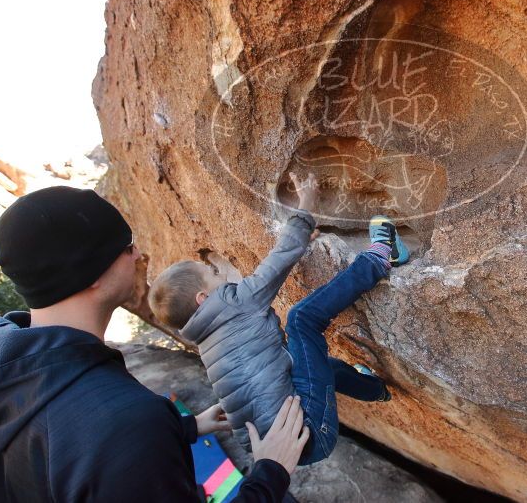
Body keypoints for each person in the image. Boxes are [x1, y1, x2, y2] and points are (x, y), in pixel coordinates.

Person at [0, 185, 307, 503]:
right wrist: (271, 472)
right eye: (127, 245)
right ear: (91, 275)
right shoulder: (126, 422)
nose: (138, 255)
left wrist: (184, 426)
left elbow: (52, 448)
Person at [148, 172, 409, 465]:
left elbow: (270, 286)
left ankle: (376, 390)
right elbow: (277, 261)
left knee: (313, 364)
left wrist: (302, 242)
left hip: (287, 450)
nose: (221, 274)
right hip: (308, 431)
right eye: (213, 275)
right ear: (202, 299)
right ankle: (380, 257)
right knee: (301, 320)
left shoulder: (207, 342)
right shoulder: (231, 304)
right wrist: (305, 208)